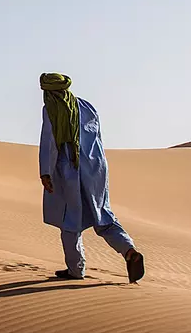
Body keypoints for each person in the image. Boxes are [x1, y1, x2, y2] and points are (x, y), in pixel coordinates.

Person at [38, 72, 145, 283]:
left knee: (70, 220)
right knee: (103, 216)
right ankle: (129, 251)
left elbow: (49, 142)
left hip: (69, 168)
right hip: (96, 167)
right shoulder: (86, 106)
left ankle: (75, 270)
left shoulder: (51, 109)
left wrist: (46, 172)